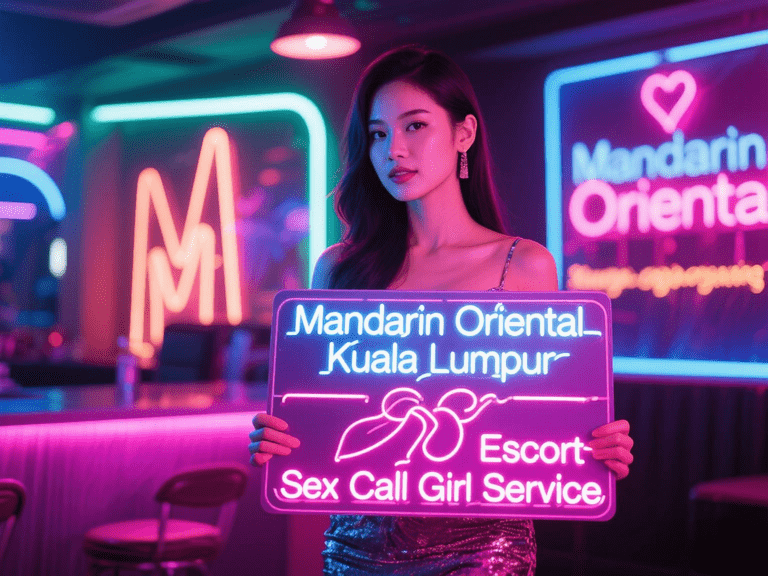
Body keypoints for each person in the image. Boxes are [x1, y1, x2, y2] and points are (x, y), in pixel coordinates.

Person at [249, 45, 634, 575]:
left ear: (464, 135)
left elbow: (543, 415)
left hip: (485, 547)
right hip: (358, 545)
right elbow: (321, 414)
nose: (393, 151)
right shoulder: (337, 270)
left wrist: (593, 445)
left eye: (414, 126)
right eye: (379, 133)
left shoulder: (522, 266)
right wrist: (281, 435)